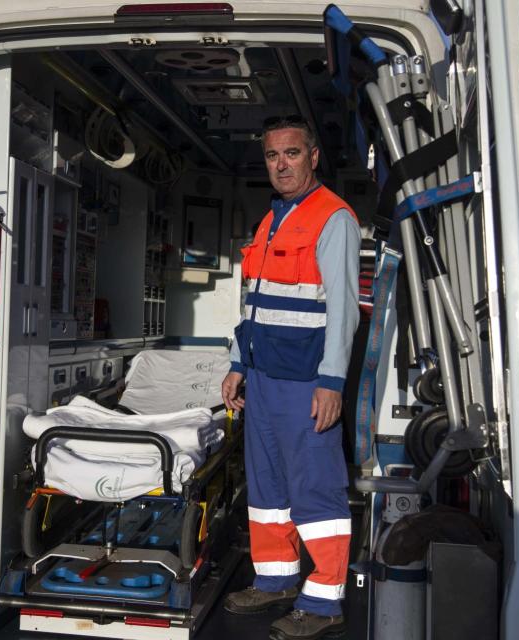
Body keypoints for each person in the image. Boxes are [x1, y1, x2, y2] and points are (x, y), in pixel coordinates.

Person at [221, 116, 360, 640]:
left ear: (313, 156)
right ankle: (276, 579)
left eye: (292, 154)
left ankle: (324, 602)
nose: (281, 164)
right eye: (273, 156)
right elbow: (254, 304)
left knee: (314, 490)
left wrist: (332, 381)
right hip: (262, 376)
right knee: (269, 488)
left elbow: (344, 311)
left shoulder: (333, 218)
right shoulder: (271, 220)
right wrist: (238, 363)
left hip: (306, 381)